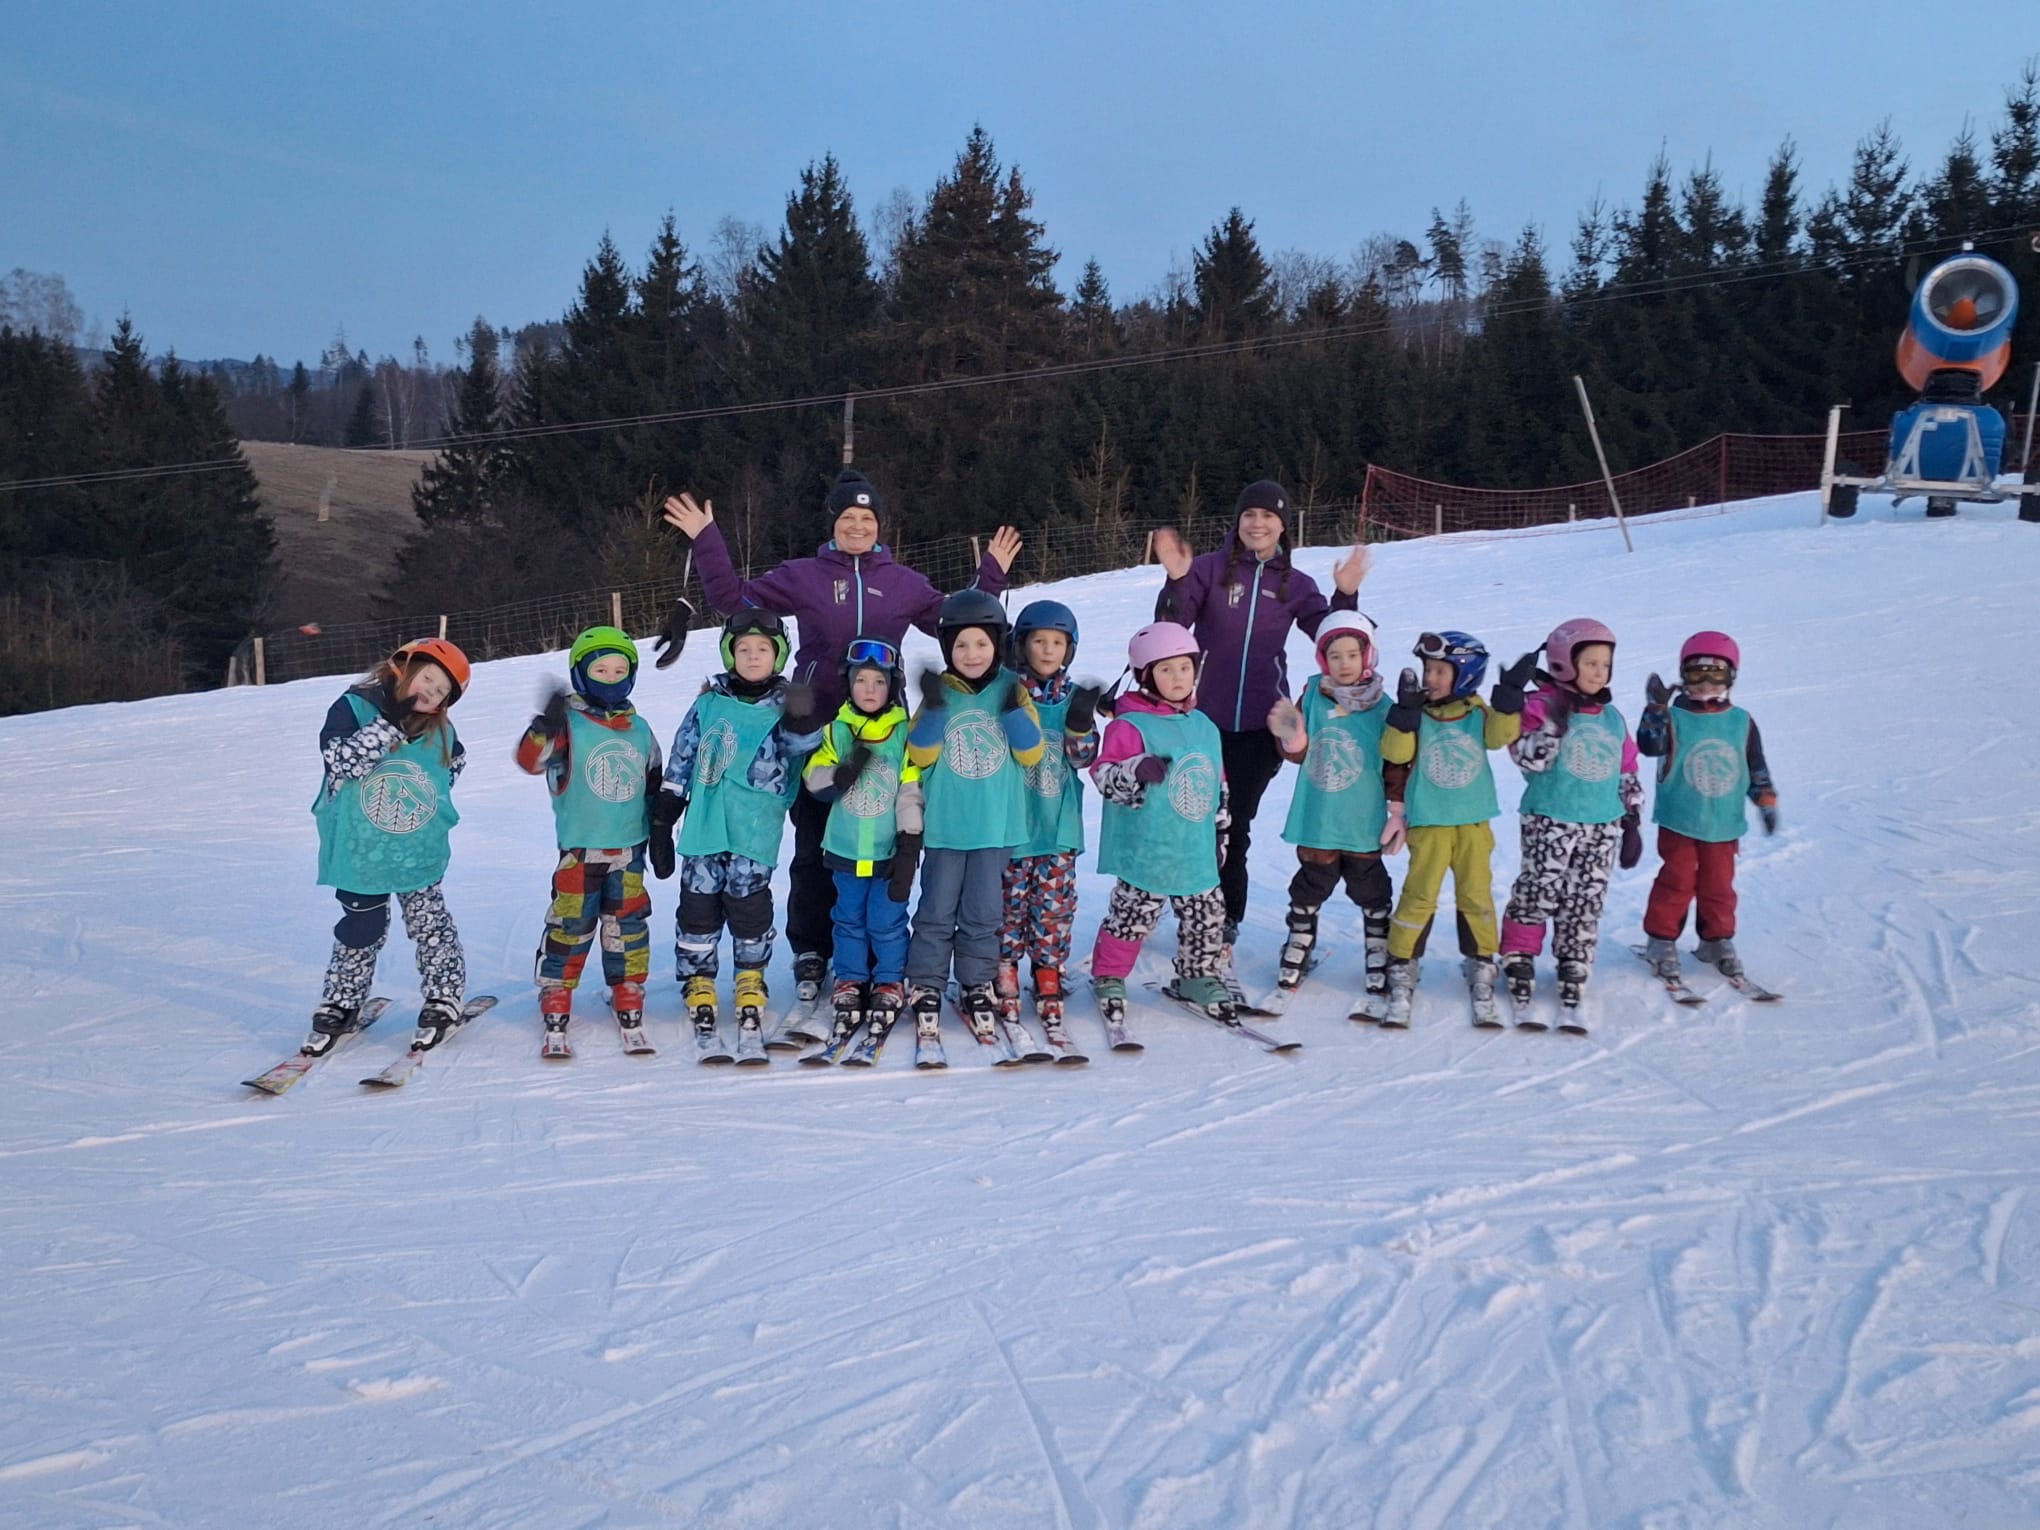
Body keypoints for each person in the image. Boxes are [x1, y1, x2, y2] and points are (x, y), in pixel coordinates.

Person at [662, 471, 1022, 1002]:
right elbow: (735, 600)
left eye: (867, 518)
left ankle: (876, 950)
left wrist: (990, 575)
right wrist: (706, 539)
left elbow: (957, 621)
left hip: (882, 737)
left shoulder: (902, 582)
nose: (857, 526)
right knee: (814, 849)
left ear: (880, 525)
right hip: (815, 734)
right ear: (833, 523)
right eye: (848, 517)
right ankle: (813, 948)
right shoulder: (804, 575)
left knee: (879, 846)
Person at [1152, 479, 1367, 955]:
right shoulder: (1207, 570)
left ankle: (1225, 916)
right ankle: (1173, 901)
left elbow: (1333, 639)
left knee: (1234, 825)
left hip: (1260, 725)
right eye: (1249, 514)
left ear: (1283, 525)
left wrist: (1345, 595)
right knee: (1187, 817)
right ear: (1237, 520)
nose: (1257, 523)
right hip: (1200, 720)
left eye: (1268, 516)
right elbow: (1169, 632)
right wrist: (1177, 580)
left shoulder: (1297, 584)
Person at [653, 610, 826, 1060]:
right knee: (698, 906)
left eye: (762, 649)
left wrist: (804, 721)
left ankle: (750, 976)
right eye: (743, 649)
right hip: (706, 825)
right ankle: (698, 978)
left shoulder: (784, 704)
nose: (752, 656)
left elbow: (803, 753)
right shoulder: (709, 703)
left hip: (754, 828)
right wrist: (664, 816)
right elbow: (682, 758)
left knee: (749, 907)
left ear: (778, 656)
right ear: (729, 655)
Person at [305, 638, 473, 1056]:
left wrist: (425, 810)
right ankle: (342, 1001)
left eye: (440, 692)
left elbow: (452, 766)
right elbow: (344, 763)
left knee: (429, 924)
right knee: (359, 929)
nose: (429, 692)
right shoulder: (352, 709)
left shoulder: (441, 730)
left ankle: (443, 996)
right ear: (404, 667)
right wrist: (388, 724)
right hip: (361, 852)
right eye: (427, 679)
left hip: (415, 851)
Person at [903, 590, 1043, 1059]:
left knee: (984, 913)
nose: (972, 654)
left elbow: (1032, 754)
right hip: (946, 827)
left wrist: (1012, 711)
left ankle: (976, 981)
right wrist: (934, 709)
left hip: (995, 828)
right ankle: (926, 982)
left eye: (981, 643)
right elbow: (920, 756)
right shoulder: (941, 691)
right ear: (948, 649)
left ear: (997, 644)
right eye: (961, 645)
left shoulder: (1013, 688)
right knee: (937, 910)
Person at [515, 626, 661, 1055]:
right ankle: (557, 990)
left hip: (629, 850)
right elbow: (531, 761)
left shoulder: (639, 728)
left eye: (619, 670)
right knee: (571, 923)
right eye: (600, 670)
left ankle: (627, 987)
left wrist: (661, 829)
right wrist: (544, 727)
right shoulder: (569, 726)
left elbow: (653, 780)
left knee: (627, 923)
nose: (611, 678)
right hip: (580, 850)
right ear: (581, 674)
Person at [1377, 631, 1533, 1028]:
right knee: (1419, 894)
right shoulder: (1419, 715)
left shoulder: (1478, 713)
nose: (1430, 678)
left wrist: (1510, 699)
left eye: (1440, 671)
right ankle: (1402, 960)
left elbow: (1501, 737)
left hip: (1473, 822)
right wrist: (1404, 717)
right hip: (1430, 822)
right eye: (1427, 669)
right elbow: (1395, 753)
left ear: (1465, 675)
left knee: (1476, 893)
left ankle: (1481, 959)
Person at [1497, 618, 1644, 1029]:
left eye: (1605, 665)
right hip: (1551, 818)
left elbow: (1627, 767)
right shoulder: (1540, 706)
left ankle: (1574, 956)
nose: (1599, 672)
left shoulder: (1612, 718)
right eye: (1590, 663)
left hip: (1602, 824)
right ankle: (1519, 952)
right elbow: (1529, 760)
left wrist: (1632, 817)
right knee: (1539, 888)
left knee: (1586, 896)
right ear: (1564, 663)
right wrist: (1553, 726)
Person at [1088, 621, 1233, 1027]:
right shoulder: (1129, 725)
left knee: (1206, 915)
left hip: (1194, 846)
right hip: (1148, 845)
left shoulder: (1204, 726)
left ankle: (1196, 976)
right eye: (1165, 670)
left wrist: (1221, 831)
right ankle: (1110, 975)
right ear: (1145, 675)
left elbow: (1217, 783)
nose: (1177, 677)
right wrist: (1135, 769)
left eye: (1184, 668)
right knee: (1133, 916)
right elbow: (1104, 778)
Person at [1265, 611, 1405, 1014]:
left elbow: (1396, 763)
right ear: (1323, 660)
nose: (1344, 663)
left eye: (1352, 655)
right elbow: (1297, 752)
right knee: (1312, 882)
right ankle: (1299, 941)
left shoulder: (1384, 707)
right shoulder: (1312, 695)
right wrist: (1293, 739)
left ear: (1368, 656)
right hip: (1320, 817)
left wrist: (1398, 810)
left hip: (1362, 819)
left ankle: (1378, 946)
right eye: (1335, 656)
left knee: (1369, 884)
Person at [801, 637, 922, 1055]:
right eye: (861, 681)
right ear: (848, 685)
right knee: (848, 919)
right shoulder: (836, 730)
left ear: (893, 687)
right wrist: (837, 775)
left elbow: (910, 790)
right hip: (846, 848)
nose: (870, 689)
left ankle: (888, 980)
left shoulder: (903, 734)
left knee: (887, 921)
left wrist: (909, 843)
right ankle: (851, 978)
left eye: (879, 682)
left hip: (888, 851)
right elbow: (812, 778)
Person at [1637, 631, 1780, 983]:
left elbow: (1755, 764)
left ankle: (1715, 940)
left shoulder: (1741, 721)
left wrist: (1764, 799)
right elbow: (1649, 746)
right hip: (1680, 818)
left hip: (1723, 823)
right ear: (1682, 675)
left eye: (1715, 674)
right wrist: (1656, 710)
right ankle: (1661, 939)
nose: (1704, 683)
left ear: (1731, 677)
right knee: (1677, 881)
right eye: (1695, 673)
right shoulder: (1673, 717)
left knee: (1719, 885)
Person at [998, 601, 1101, 1050]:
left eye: (1057, 642)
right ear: (1021, 645)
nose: (1047, 650)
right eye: (1038, 640)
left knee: (1053, 908)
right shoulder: (1006, 693)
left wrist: (1080, 724)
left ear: (1069, 649)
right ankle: (1003, 968)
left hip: (1058, 827)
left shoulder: (1072, 698)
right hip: (1012, 826)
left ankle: (1047, 970)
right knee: (1007, 905)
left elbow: (1083, 759)